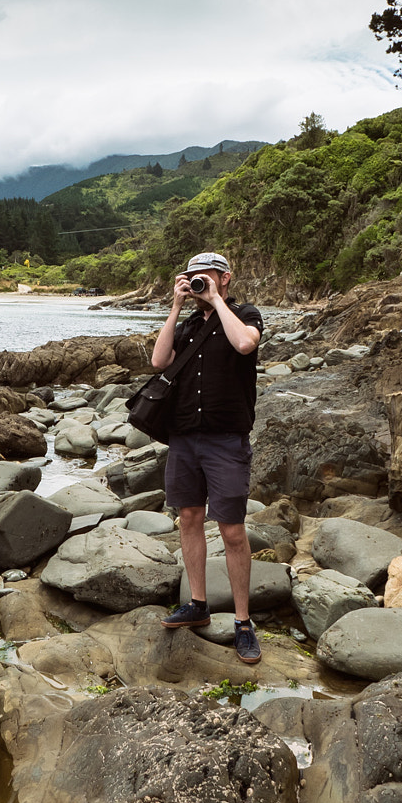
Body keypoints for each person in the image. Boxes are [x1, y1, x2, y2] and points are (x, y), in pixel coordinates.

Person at [152, 249, 264, 664]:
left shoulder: (245, 314)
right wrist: (177, 305)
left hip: (226, 440)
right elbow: (158, 361)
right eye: (192, 278)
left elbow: (245, 344)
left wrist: (216, 301)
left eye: (205, 277)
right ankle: (197, 605)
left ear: (225, 278)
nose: (198, 282)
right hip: (184, 438)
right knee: (189, 518)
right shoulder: (185, 325)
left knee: (232, 531)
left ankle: (242, 622)